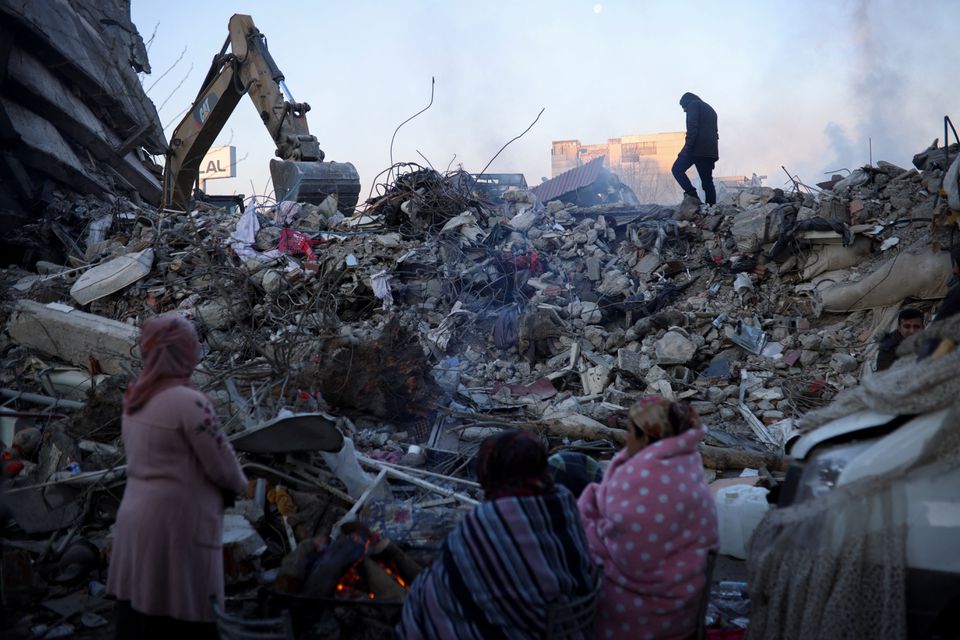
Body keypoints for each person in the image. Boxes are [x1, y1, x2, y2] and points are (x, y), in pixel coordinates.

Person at [107, 316, 247, 639]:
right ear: (181, 352)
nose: (198, 348)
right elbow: (222, 466)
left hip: (135, 520)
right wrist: (240, 486)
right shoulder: (190, 402)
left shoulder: (135, 399)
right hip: (178, 525)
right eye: (192, 343)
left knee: (141, 611)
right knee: (182, 611)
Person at [396, 431, 596, 640]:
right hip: (568, 626)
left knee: (427, 593)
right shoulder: (564, 502)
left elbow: (452, 580)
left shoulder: (487, 520)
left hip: (520, 629)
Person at [578, 396, 718, 640]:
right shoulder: (686, 461)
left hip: (647, 614)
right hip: (684, 604)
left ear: (647, 437)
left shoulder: (645, 476)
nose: (627, 439)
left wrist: (588, 523)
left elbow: (627, 555)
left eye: (631, 432)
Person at [671, 92, 719, 206]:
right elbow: (715, 133)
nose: (684, 110)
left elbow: (692, 128)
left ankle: (693, 196)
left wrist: (686, 149)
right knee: (707, 182)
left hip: (697, 149)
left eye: (684, 107)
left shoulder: (693, 105)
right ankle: (711, 207)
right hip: (710, 151)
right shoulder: (711, 110)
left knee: (677, 169)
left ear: (688, 102)